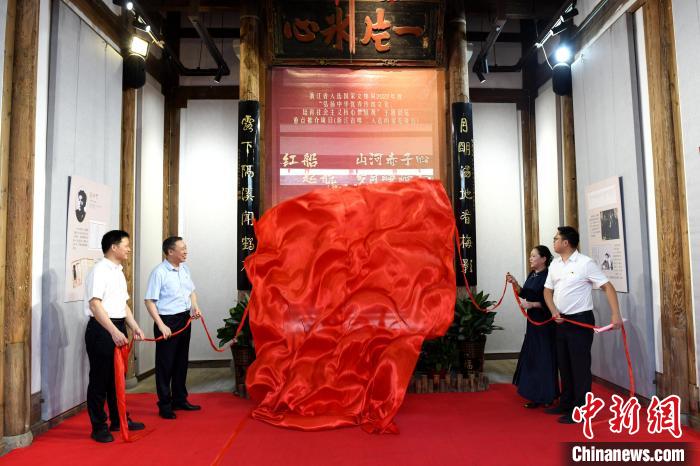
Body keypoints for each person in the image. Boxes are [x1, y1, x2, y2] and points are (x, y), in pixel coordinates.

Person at [543, 226, 622, 424]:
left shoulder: (585, 263)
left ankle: (582, 410)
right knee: (564, 364)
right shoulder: (555, 264)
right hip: (560, 321)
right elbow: (547, 291)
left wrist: (615, 314)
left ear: (566, 243)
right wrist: (553, 311)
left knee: (579, 366)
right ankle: (567, 402)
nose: (554, 241)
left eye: (556, 239)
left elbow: (607, 287)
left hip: (580, 321)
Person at [84, 230, 145, 443]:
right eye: (126, 245)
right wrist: (113, 331)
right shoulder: (99, 270)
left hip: (117, 326)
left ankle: (119, 420)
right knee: (100, 380)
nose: (129, 249)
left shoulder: (118, 271)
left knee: (117, 378)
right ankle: (98, 426)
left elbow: (122, 304)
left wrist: (134, 326)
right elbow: (95, 305)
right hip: (102, 329)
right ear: (114, 247)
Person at [145, 236, 202, 419]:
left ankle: (180, 399)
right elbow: (149, 301)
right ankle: (164, 404)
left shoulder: (184, 269)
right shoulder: (159, 272)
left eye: (186, 248)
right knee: (165, 365)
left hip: (184, 318)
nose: (186, 251)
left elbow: (191, 291)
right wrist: (160, 324)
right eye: (182, 248)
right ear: (170, 252)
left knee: (181, 362)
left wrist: (194, 306)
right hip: (167, 321)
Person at [507, 245, 559, 409]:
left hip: (545, 322)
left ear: (544, 259)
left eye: (534, 256)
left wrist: (532, 304)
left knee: (544, 357)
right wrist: (515, 283)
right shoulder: (532, 274)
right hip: (532, 322)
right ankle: (535, 395)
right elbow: (524, 293)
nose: (530, 258)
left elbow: (551, 301)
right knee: (533, 357)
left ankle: (548, 395)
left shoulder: (548, 276)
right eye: (530, 256)